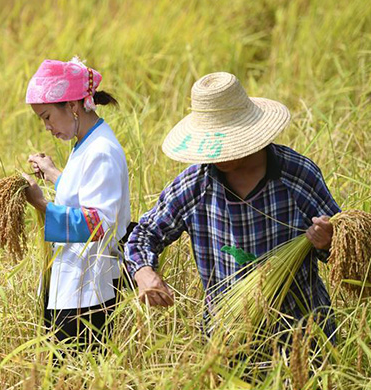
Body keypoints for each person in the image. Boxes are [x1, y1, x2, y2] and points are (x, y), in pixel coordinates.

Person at [125, 72, 339, 342]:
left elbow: (342, 246)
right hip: (230, 335)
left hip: (302, 331)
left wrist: (326, 241)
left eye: (227, 142)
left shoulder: (296, 175)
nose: (221, 155)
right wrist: (144, 272)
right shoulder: (195, 186)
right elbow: (144, 234)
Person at [21, 57, 131, 349]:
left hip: (87, 295)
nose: (46, 126)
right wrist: (54, 174)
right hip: (72, 286)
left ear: (71, 106)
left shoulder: (101, 151)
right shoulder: (86, 143)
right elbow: (84, 194)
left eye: (46, 117)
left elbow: (99, 223)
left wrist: (41, 204)